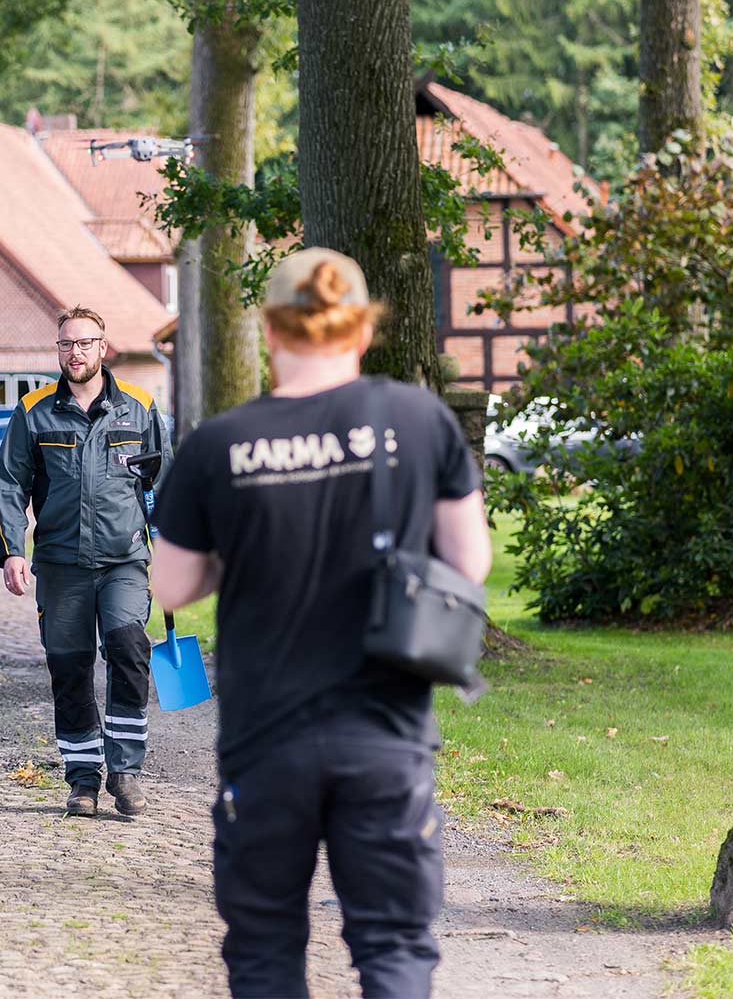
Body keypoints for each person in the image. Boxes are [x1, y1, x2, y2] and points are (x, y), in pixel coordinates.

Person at [149, 249, 493, 999]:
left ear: (269, 330)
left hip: (266, 738)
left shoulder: (219, 443)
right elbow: (470, 561)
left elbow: (173, 582)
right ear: (361, 330)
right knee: (395, 945)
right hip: (386, 732)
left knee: (266, 948)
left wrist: (234, 551)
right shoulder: (417, 417)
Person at [0, 306, 173, 817]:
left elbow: (161, 484)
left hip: (123, 560)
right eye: (66, 344)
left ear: (103, 346)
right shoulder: (34, 410)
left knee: (128, 650)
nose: (75, 352)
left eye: (85, 343)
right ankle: (82, 780)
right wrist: (12, 550)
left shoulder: (138, 407)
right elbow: (11, 483)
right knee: (69, 669)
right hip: (61, 563)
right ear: (58, 350)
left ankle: (126, 772)